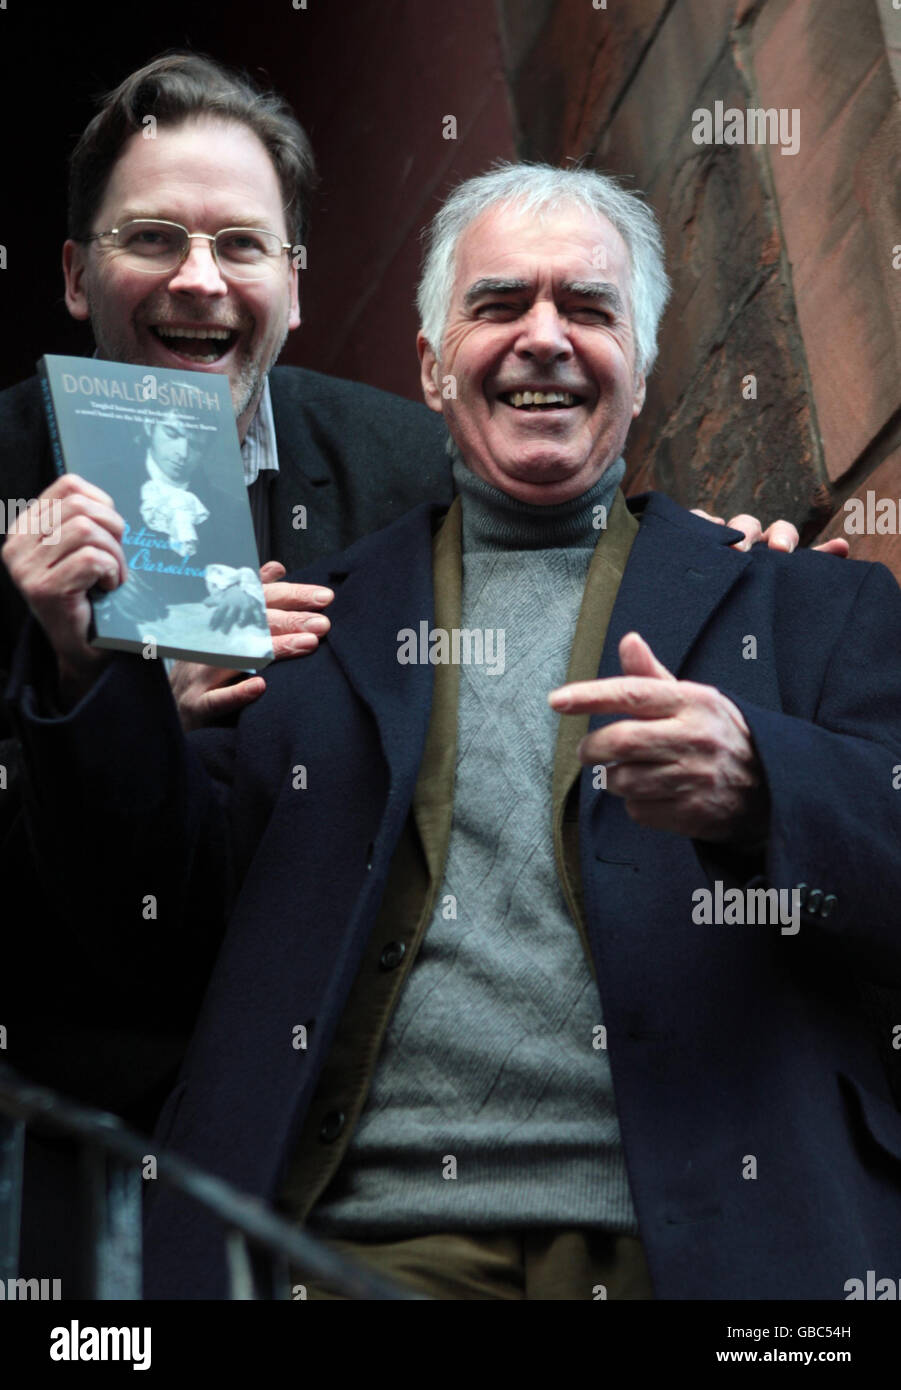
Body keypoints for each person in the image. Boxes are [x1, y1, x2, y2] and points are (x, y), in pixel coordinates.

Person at [6, 161, 900, 1302]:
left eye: (587, 308)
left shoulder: (807, 606)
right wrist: (88, 667)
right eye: (497, 305)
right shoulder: (295, 628)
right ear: (431, 366)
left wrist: (765, 783)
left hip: (729, 1252)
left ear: (643, 366)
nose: (543, 338)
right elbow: (133, 929)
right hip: (352, 1252)